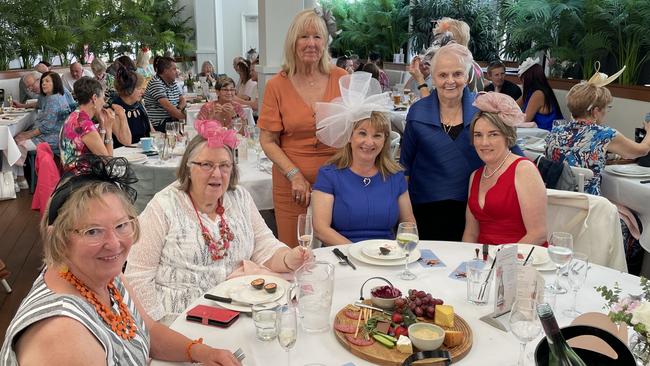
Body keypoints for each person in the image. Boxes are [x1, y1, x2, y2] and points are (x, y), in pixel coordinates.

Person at [0, 155, 242, 365]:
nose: (114, 244)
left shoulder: (103, 275)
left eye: (121, 225)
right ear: (60, 239)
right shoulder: (61, 335)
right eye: (92, 231)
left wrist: (201, 352)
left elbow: (147, 331)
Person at [124, 122, 312, 322]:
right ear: (188, 167)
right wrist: (159, 329)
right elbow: (138, 277)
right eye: (206, 165)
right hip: (182, 319)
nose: (216, 173)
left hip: (240, 312)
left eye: (224, 166)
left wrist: (288, 258)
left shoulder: (239, 197)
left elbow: (264, 245)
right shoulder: (164, 207)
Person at [400, 43, 524, 241]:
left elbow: (513, 155)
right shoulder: (418, 112)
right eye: (442, 75)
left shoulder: (484, 109)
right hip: (425, 209)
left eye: (457, 74)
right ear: (433, 78)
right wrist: (405, 219)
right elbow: (405, 167)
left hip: (475, 210)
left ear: (467, 76)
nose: (450, 81)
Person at [258, 9, 347, 246]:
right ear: (293, 42)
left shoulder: (341, 78)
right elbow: (268, 140)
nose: (311, 43)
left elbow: (357, 130)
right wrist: (294, 174)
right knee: (293, 248)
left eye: (317, 37)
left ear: (325, 42)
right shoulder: (277, 85)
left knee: (339, 251)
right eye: (303, 37)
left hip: (338, 179)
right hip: (291, 183)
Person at [312, 73, 415, 244]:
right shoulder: (329, 175)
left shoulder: (395, 176)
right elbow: (321, 230)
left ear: (385, 140)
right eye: (362, 133)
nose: (369, 142)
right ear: (350, 137)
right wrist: (357, 253)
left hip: (386, 256)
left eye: (377, 135)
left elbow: (408, 223)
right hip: (343, 257)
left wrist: (402, 252)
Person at [546, 65, 650, 196]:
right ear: (595, 111)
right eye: (605, 108)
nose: (606, 112)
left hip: (555, 201)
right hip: (588, 205)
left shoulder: (555, 130)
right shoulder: (604, 134)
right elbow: (640, 151)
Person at [462, 92, 547, 245]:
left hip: (521, 258)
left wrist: (501, 264)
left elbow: (538, 234)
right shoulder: (475, 176)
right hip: (483, 261)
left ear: (507, 136)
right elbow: (471, 233)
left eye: (493, 134)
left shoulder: (523, 170)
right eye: (478, 135)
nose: (484, 142)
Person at [60, 77, 130, 170]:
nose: (104, 102)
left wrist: (102, 124)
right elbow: (108, 162)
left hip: (71, 176)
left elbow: (97, 151)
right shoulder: (84, 124)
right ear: (94, 98)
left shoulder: (74, 116)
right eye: (103, 98)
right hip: (83, 180)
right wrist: (109, 130)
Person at [14, 72, 72, 157]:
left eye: (47, 81)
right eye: (28, 88)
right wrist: (22, 106)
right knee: (17, 137)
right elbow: (40, 104)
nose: (43, 84)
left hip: (53, 138)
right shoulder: (50, 95)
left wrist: (26, 135)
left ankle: (19, 169)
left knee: (15, 142)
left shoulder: (53, 100)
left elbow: (46, 127)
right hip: (57, 134)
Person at [433, 17, 485, 93]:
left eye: (440, 38)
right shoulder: (475, 65)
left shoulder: (455, 67)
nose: (436, 43)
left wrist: (420, 80)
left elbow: (435, 102)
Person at [111, 66, 152, 148]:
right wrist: (122, 116)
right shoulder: (115, 109)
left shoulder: (139, 105)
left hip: (143, 152)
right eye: (139, 88)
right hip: (125, 156)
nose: (143, 92)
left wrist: (166, 136)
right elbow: (126, 141)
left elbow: (152, 131)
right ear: (129, 90)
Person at [517, 57, 563, 130]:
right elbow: (512, 106)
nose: (521, 82)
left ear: (528, 79)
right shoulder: (530, 92)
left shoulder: (538, 94)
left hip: (546, 136)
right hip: (536, 134)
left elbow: (524, 120)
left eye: (522, 79)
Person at [143, 56, 186, 132]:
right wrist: (187, 118)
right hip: (160, 125)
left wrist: (178, 109)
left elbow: (182, 99)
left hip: (172, 121)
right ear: (165, 71)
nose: (177, 72)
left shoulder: (172, 82)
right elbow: (168, 107)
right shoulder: (156, 83)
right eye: (174, 69)